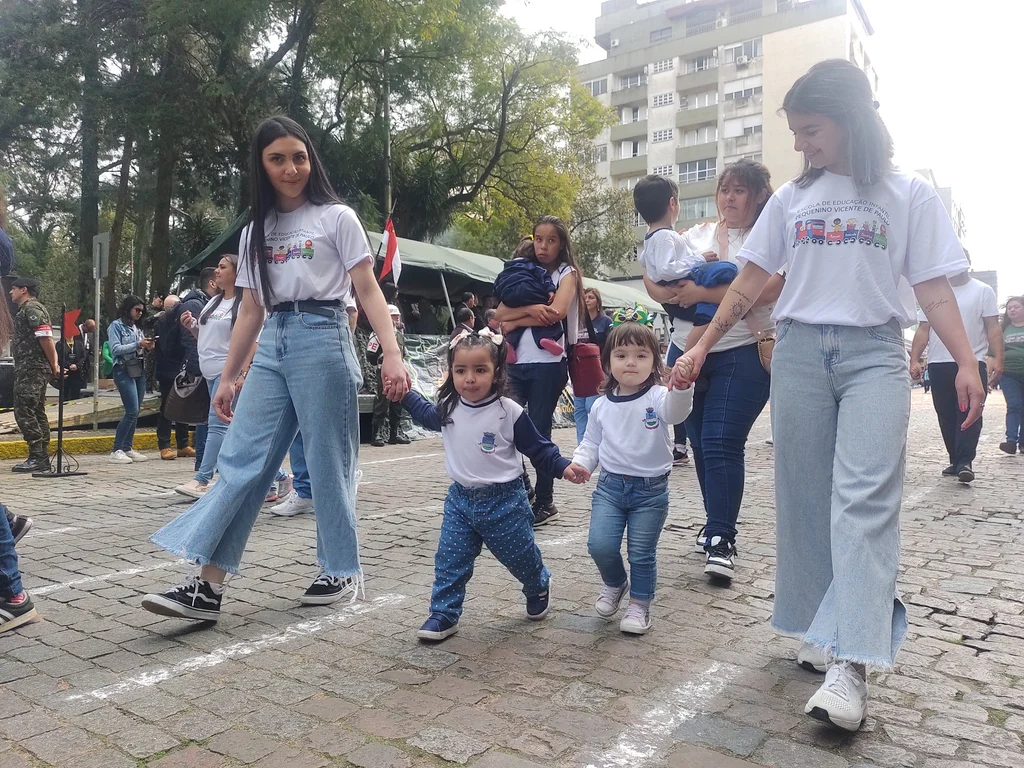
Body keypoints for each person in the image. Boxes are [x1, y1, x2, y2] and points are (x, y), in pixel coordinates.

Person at [678, 59, 985, 732]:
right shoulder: (791, 200)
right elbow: (751, 280)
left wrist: (966, 360)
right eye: (796, 131)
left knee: (864, 503)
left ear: (849, 121)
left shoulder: (908, 194)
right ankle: (823, 626)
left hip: (875, 353)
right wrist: (701, 346)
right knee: (807, 501)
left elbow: (934, 288)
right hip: (799, 357)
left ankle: (853, 663)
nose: (801, 144)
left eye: (810, 129)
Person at [141, 115, 409, 621]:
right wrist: (228, 376)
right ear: (260, 167)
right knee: (241, 463)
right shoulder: (254, 233)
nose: (291, 169)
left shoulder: (337, 217)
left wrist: (391, 352)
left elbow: (367, 289)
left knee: (330, 463)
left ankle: (339, 568)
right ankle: (206, 586)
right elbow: (250, 309)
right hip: (273, 344)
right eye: (278, 159)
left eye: (299, 157)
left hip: (324, 336)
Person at [402, 330, 585, 641]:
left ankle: (538, 583)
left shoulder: (508, 411)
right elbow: (424, 414)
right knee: (450, 560)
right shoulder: (449, 407)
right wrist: (403, 393)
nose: (469, 379)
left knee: (521, 557)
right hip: (460, 501)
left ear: (497, 371)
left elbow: (538, 448)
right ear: (451, 372)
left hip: (506, 502)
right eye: (461, 371)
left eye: (480, 370)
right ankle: (443, 613)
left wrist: (563, 466)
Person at [643, 158, 779, 572]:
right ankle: (715, 523)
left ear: (758, 196)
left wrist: (699, 290)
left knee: (722, 440)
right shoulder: (697, 233)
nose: (730, 197)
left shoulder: (772, 235)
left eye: (740, 190)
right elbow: (653, 277)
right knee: (700, 444)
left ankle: (721, 536)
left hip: (745, 352)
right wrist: (676, 293)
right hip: (686, 353)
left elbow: (770, 288)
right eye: (725, 189)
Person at [572, 309, 692, 635]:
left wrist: (681, 387)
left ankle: (639, 605)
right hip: (610, 489)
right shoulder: (601, 406)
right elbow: (591, 443)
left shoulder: (659, 396)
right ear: (608, 361)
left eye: (641, 355)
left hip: (651, 492)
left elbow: (677, 411)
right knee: (600, 545)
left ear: (654, 362)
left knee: (641, 553)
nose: (630, 362)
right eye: (621, 355)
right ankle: (614, 583)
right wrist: (581, 464)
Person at [495, 216, 584, 526]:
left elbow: (556, 313)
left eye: (551, 240)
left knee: (540, 432)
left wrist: (518, 320)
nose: (543, 246)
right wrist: (532, 310)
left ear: (561, 244)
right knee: (505, 428)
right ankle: (524, 490)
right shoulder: (521, 270)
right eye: (538, 238)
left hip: (548, 365)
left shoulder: (566, 274)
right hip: (514, 363)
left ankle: (545, 501)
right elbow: (498, 314)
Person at [910, 269, 1001, 483]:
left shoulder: (982, 291)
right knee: (946, 413)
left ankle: (964, 461)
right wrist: (915, 358)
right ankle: (956, 458)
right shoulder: (933, 293)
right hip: (938, 362)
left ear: (966, 263)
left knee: (970, 410)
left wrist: (996, 357)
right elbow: (924, 329)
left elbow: (993, 328)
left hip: (972, 361)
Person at [174, 255, 251, 499]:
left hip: (226, 372)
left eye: (222, 267)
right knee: (237, 431)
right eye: (217, 267)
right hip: (208, 372)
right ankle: (277, 478)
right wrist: (192, 327)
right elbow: (204, 338)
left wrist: (242, 372)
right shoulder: (213, 303)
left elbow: (252, 341)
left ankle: (202, 479)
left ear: (237, 273)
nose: (216, 272)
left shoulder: (245, 304)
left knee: (217, 425)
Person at [635, 175, 739, 346]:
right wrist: (699, 259)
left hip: (670, 294)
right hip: (678, 285)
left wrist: (676, 240)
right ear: (672, 203)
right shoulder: (665, 237)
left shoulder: (651, 237)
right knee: (722, 271)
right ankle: (691, 348)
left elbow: (644, 261)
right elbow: (665, 270)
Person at [9, 277, 59, 473]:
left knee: (24, 409)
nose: (10, 292)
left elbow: (45, 336)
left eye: (14, 288)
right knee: (35, 409)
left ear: (24, 290)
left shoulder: (32, 309)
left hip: (32, 368)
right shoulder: (27, 309)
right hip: (30, 367)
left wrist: (54, 363)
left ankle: (38, 456)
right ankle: (41, 455)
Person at [493, 239, 563, 356]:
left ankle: (510, 343)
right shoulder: (533, 265)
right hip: (530, 291)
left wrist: (501, 298)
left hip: (509, 294)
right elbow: (544, 277)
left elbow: (496, 284)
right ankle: (547, 337)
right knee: (546, 311)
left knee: (515, 316)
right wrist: (550, 291)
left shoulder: (507, 268)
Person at [108, 295, 155, 463]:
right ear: (128, 308)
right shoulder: (116, 326)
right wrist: (138, 344)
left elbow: (139, 348)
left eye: (142, 311)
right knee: (131, 410)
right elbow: (115, 349)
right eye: (137, 310)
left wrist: (146, 346)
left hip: (138, 369)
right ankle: (116, 449)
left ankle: (127, 447)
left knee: (136, 411)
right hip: (123, 369)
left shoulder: (137, 328)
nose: (140, 313)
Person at [572, 287, 614, 443]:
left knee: (592, 406)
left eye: (591, 297)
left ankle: (597, 441)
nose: (587, 300)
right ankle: (581, 444)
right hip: (579, 369)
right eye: (585, 297)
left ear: (598, 302)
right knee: (579, 409)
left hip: (598, 368)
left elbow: (611, 345)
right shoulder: (577, 321)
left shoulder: (605, 322)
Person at [153, 294, 192, 460]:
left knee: (184, 406)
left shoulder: (183, 320)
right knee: (167, 408)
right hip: (167, 370)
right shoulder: (161, 323)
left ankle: (183, 444)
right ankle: (164, 445)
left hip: (182, 368)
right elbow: (166, 345)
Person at [369, 304, 413, 447]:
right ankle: (377, 432)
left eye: (398, 316)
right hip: (383, 370)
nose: (397, 319)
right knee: (382, 402)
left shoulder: (399, 335)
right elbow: (370, 354)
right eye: (394, 316)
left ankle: (395, 432)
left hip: (397, 371)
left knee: (398, 401)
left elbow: (403, 353)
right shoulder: (377, 334)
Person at [998, 296, 1024, 454]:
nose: (1012, 310)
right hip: (1008, 374)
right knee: (1014, 405)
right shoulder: (1003, 330)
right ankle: (1011, 441)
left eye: (1016, 306)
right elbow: (994, 351)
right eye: (1009, 308)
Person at [57, 327, 87, 400]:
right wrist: (69, 365)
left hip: (77, 373)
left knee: (75, 393)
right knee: (64, 393)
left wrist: (77, 365)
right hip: (66, 372)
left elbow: (83, 356)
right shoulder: (60, 344)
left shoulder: (79, 344)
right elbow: (59, 357)